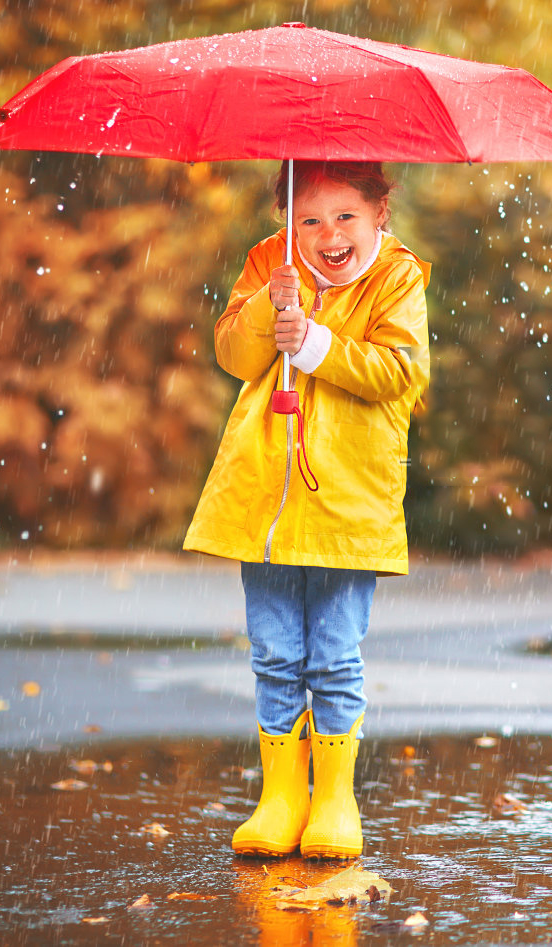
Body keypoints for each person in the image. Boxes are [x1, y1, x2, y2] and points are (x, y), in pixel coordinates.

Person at [183, 160, 431, 859]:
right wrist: (269, 303)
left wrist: (315, 343)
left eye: (346, 215)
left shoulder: (398, 278)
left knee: (333, 655)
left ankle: (334, 796)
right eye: (309, 219)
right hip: (265, 492)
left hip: (347, 498)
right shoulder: (271, 259)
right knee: (274, 653)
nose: (327, 234)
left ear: (380, 210)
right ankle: (281, 795)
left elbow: (400, 372)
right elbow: (233, 353)